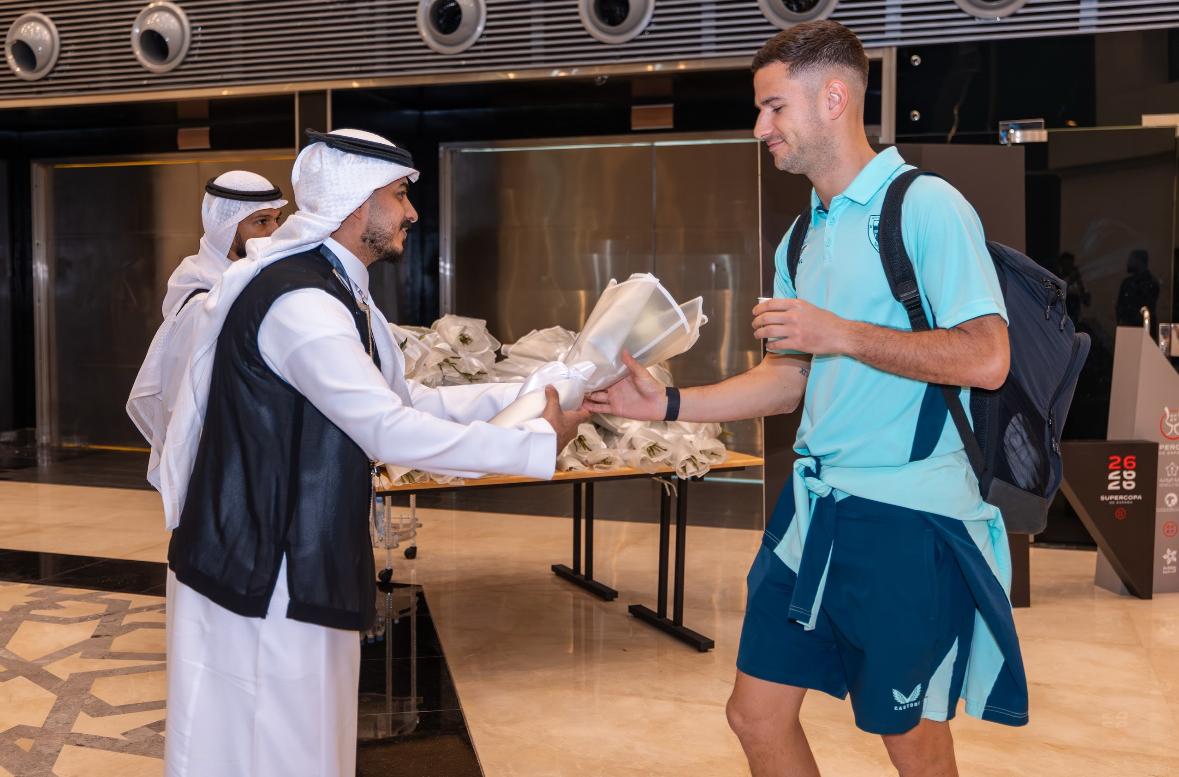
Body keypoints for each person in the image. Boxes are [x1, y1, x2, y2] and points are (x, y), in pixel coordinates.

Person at [586, 21, 1027, 777]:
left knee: (910, 739)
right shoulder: (802, 236)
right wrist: (663, 405)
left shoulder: (926, 206)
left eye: (774, 107)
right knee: (754, 714)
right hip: (813, 511)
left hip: (908, 520)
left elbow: (987, 358)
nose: (761, 127)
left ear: (833, 99)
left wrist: (841, 333)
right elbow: (788, 377)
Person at [158, 129, 587, 777]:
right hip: (263, 566)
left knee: (309, 744)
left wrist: (540, 392)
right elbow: (386, 429)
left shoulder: (335, 288)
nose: (411, 212)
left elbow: (408, 399)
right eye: (399, 195)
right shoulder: (301, 301)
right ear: (357, 204)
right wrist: (532, 445)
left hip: (297, 554)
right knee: (271, 750)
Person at [127, 171, 286, 490]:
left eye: (276, 220)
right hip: (221, 472)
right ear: (224, 228)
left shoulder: (251, 284)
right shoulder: (202, 304)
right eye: (261, 222)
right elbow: (183, 407)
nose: (274, 232)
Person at [1115, 248, 1159, 330]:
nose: (1128, 263)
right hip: (1127, 329)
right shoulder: (1127, 282)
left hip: (1142, 330)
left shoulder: (1150, 283)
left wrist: (1127, 322)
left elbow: (1147, 309)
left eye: (1131, 260)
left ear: (1139, 261)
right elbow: (1119, 306)